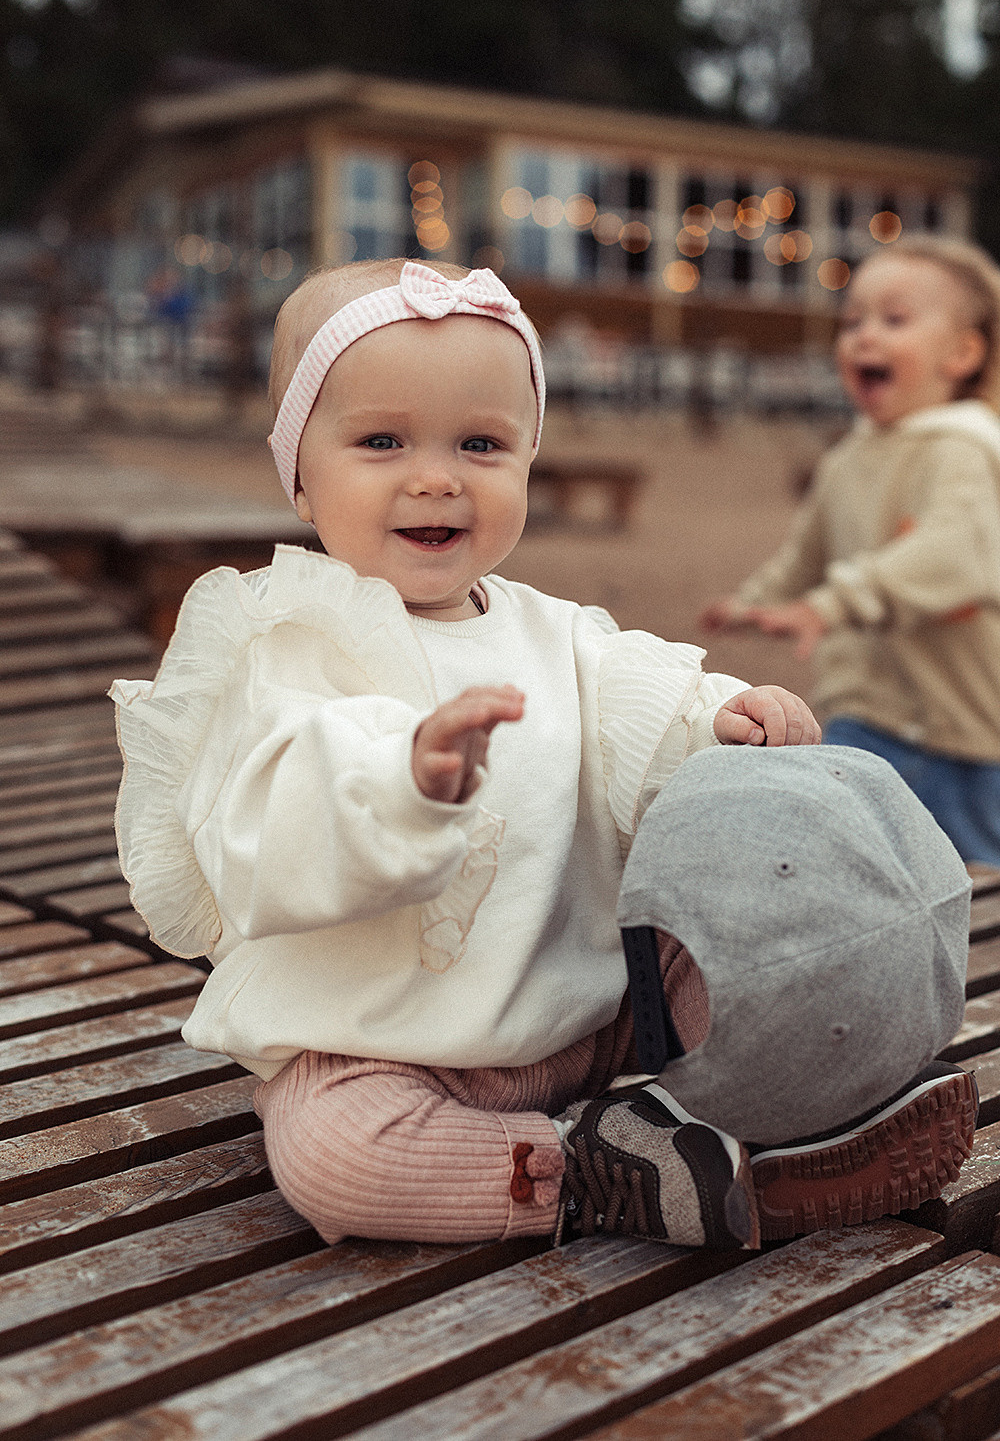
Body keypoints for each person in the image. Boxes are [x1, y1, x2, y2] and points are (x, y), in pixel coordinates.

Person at [111, 258, 973, 1252]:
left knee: (738, 940)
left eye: (480, 443)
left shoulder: (554, 629)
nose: (436, 476)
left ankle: (835, 1086)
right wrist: (401, 782)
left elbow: (641, 702)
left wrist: (722, 717)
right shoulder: (288, 648)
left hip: (597, 1008)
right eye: (381, 440)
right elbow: (266, 817)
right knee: (332, 1157)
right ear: (299, 473)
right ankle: (605, 1171)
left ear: (527, 458)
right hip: (387, 1045)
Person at [702, 236, 1000, 866]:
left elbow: (949, 555)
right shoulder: (848, 457)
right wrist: (757, 601)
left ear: (964, 353)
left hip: (958, 730)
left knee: (973, 875)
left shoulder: (963, 449)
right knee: (856, 865)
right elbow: (808, 552)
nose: (864, 336)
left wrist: (837, 604)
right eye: (852, 321)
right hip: (861, 713)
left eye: (894, 320)